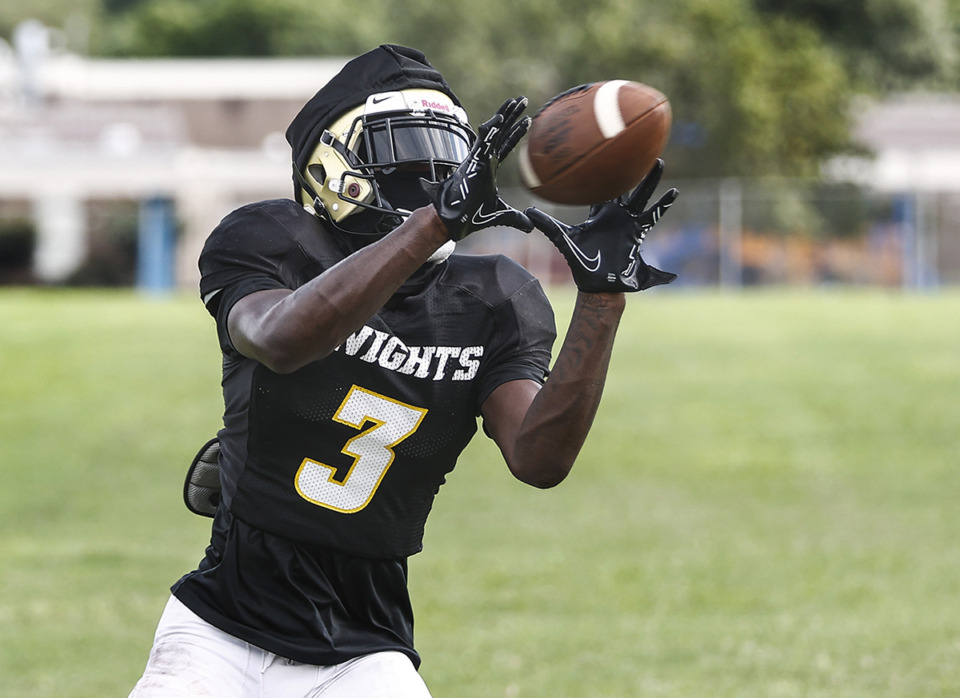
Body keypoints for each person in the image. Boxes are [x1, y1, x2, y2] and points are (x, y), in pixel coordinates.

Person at [129, 44, 678, 697]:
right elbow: (279, 340)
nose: (431, 173)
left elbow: (539, 458)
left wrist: (602, 298)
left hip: (364, 647)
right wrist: (433, 222)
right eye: (403, 148)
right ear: (331, 165)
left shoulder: (494, 295)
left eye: (446, 151)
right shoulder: (271, 241)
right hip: (218, 632)